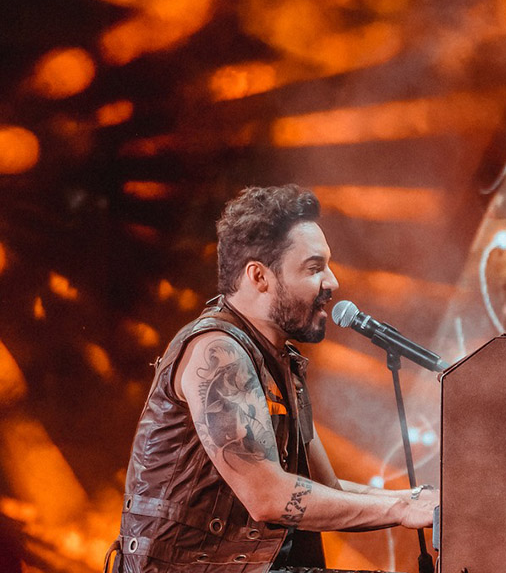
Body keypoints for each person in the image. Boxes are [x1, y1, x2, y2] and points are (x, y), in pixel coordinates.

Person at [111, 185, 437, 573]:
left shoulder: (283, 365)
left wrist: (417, 499)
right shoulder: (219, 353)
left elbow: (326, 489)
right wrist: (402, 509)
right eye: (315, 268)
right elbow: (268, 495)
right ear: (259, 276)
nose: (332, 283)